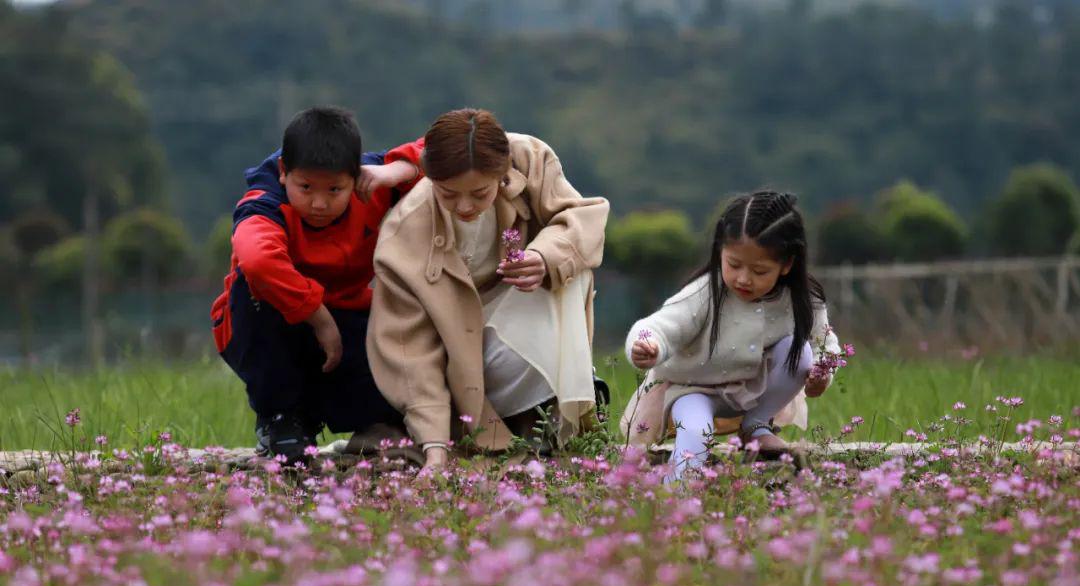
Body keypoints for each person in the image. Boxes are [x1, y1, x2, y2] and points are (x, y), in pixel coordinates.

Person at [367, 108, 610, 470]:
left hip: (518, 322)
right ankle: (524, 423)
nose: (464, 206)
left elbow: (582, 220)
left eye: (479, 193)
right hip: (462, 363)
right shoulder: (405, 231)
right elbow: (408, 349)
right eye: (448, 194)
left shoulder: (529, 158)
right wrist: (434, 445)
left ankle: (560, 418)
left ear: (502, 173)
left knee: (574, 273)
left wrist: (545, 258)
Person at [210, 106, 424, 464]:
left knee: (387, 396)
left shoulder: (375, 182)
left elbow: (451, 147)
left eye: (335, 189)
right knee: (254, 285)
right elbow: (258, 258)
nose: (320, 202)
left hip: (351, 320)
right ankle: (281, 418)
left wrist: (398, 169)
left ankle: (372, 420)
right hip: (274, 325)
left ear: (356, 177)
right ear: (284, 174)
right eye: (305, 187)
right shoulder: (265, 203)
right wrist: (316, 314)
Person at [621, 190, 841, 480]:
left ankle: (756, 425)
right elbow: (658, 325)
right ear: (719, 251)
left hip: (755, 391)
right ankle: (677, 499)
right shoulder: (706, 292)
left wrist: (821, 376)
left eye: (760, 270)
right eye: (734, 264)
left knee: (799, 352)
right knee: (696, 434)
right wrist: (646, 345)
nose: (743, 279)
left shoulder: (804, 300)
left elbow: (826, 346)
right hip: (694, 390)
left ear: (787, 265)